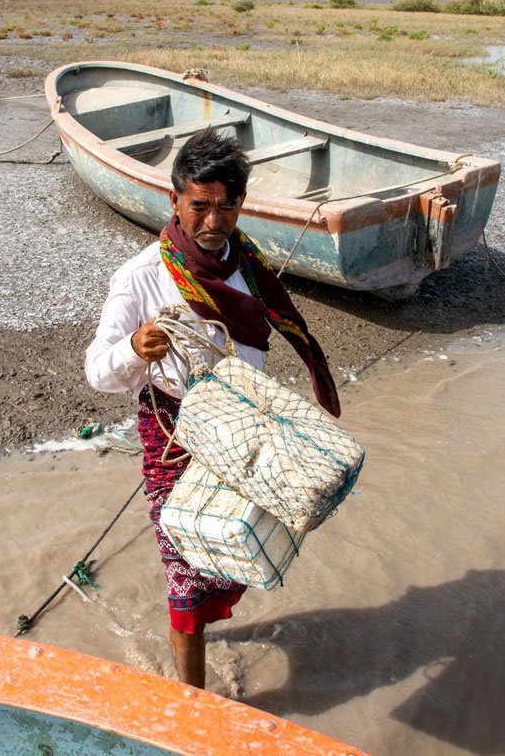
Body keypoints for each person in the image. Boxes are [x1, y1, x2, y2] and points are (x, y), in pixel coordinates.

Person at [85, 129, 341, 688]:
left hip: (242, 429)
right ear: (174, 200)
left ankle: (200, 634)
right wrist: (134, 350)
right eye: (200, 205)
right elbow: (97, 370)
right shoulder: (141, 277)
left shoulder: (249, 265)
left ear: (241, 205)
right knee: (186, 576)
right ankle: (192, 710)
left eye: (227, 206)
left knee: (241, 542)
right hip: (173, 437)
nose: (213, 221)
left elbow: (257, 351)